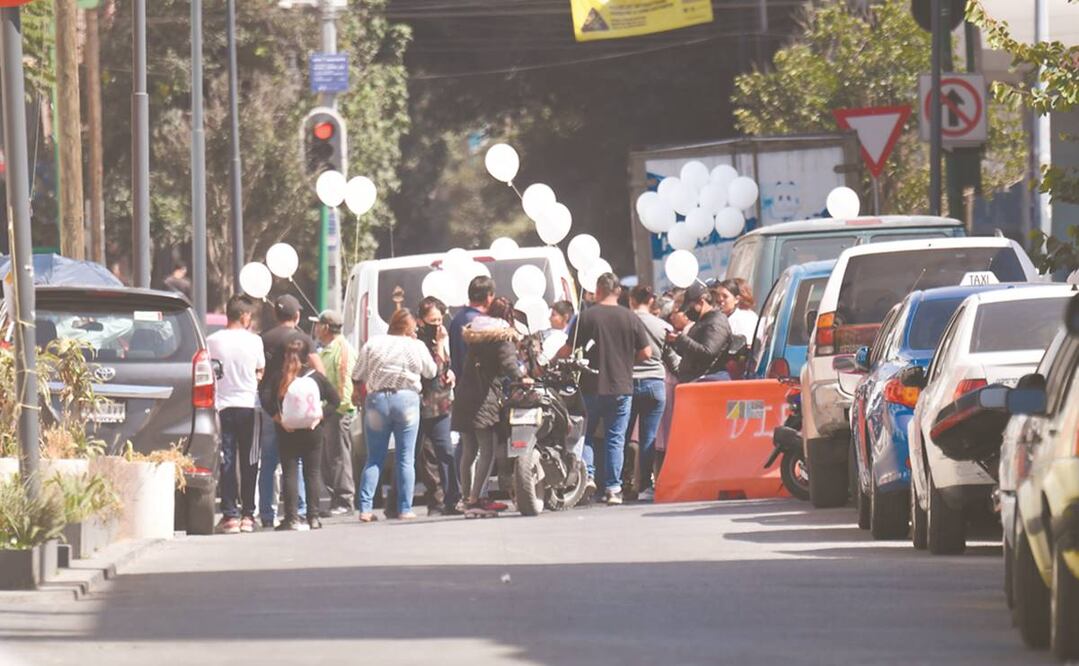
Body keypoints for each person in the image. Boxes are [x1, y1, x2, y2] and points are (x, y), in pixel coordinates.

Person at [560, 273, 652, 505]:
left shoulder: (587, 317)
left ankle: (589, 476)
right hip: (622, 386)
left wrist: (547, 362)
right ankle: (613, 488)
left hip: (591, 385)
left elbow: (569, 349)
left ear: (598, 290)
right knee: (615, 437)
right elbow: (647, 353)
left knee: (586, 433)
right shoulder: (630, 317)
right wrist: (626, 361)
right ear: (619, 292)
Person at [353, 308, 437, 522]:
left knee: (374, 457)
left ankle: (365, 508)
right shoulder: (415, 345)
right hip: (406, 400)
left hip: (377, 401)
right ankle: (405, 508)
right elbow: (431, 371)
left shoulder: (373, 343)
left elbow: (358, 373)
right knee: (405, 458)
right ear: (409, 328)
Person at [452, 297, 527, 516]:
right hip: (484, 398)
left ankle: (466, 498)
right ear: (509, 315)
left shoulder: (476, 333)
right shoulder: (502, 336)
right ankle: (476, 500)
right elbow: (508, 364)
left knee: (469, 450)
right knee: (488, 449)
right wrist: (523, 377)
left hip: (465, 395)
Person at [258, 295, 326, 528]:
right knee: (296, 462)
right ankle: (301, 510)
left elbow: (258, 372)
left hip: (271, 405)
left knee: (268, 461)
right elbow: (320, 371)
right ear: (296, 315)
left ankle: (267, 514)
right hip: (298, 407)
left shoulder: (264, 338)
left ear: (276, 315)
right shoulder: (303, 338)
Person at [263, 339, 339, 531]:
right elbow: (335, 400)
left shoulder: (280, 377)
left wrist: (279, 418)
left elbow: (265, 399)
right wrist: (320, 417)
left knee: (290, 473)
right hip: (313, 430)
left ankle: (291, 518)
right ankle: (313, 517)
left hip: (287, 430)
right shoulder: (316, 378)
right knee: (312, 473)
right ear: (307, 357)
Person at [207, 295, 264, 534]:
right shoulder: (255, 341)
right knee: (250, 461)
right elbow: (260, 369)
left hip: (221, 406)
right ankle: (248, 515)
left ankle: (229, 515)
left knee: (226, 460)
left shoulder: (212, 341)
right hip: (249, 405)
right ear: (244, 316)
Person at [415, 296, 461, 516]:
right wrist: (441, 346)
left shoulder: (441, 338)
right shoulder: (418, 342)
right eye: (432, 320)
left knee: (445, 451)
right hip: (422, 402)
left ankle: (453, 498)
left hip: (441, 403)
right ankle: (436, 499)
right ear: (421, 321)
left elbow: (445, 367)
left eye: (440, 319)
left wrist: (451, 372)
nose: (437, 325)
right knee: (424, 455)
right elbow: (433, 372)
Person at [627, 285, 669, 501]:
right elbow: (670, 355)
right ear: (652, 301)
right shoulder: (662, 326)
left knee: (623, 435)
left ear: (632, 300)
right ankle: (645, 485)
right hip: (655, 382)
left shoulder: (624, 322)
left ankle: (623, 484)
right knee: (648, 437)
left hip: (628, 382)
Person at [314, 309, 357, 516]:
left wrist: (337, 408)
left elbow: (345, 383)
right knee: (328, 458)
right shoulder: (326, 349)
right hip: (328, 410)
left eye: (318, 324)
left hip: (338, 411)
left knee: (339, 457)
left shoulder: (342, 350)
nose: (315, 329)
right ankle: (335, 498)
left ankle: (345, 499)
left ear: (325, 327)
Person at [666, 283, 732, 383]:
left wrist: (680, 339)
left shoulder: (716, 321)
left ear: (701, 302)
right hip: (694, 381)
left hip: (708, 381)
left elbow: (708, 352)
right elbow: (692, 351)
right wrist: (674, 342)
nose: (687, 313)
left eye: (689, 307)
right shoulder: (702, 321)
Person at [448, 276, 494, 380]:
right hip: (478, 384)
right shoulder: (482, 322)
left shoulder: (457, 318)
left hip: (460, 383)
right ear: (489, 297)